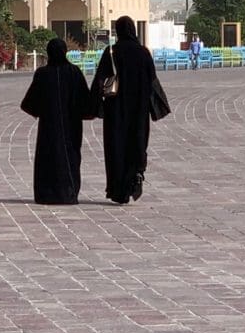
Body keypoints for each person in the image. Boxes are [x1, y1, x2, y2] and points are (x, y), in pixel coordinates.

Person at [91, 16, 168, 205]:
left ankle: (119, 190)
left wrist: (93, 106)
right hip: (138, 109)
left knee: (116, 147)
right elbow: (152, 80)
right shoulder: (143, 53)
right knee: (137, 142)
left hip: (115, 110)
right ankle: (136, 176)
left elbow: (100, 81)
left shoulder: (111, 52)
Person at [20, 38, 93, 205]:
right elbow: (85, 100)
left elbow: (29, 103)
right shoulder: (74, 72)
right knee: (70, 156)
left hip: (48, 127)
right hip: (71, 125)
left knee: (49, 157)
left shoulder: (42, 74)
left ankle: (47, 194)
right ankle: (69, 192)